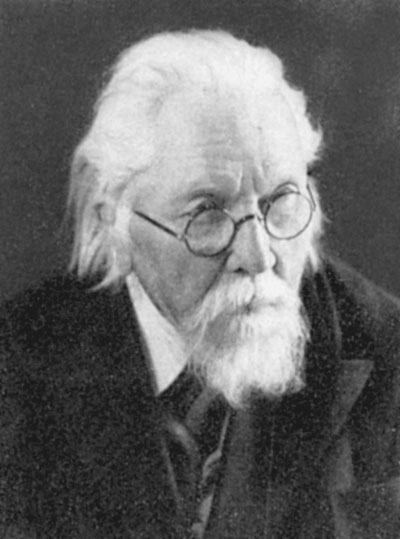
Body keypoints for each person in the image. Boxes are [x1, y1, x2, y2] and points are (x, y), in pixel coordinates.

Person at [1, 29, 400, 539]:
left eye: (281, 200)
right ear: (113, 222)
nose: (259, 256)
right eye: (207, 213)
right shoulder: (17, 364)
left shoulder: (385, 350)